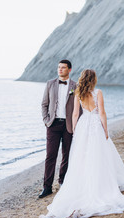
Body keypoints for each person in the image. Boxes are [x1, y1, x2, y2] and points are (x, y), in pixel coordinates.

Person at [39, 69, 124, 218]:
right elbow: (102, 113)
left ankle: (83, 183)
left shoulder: (78, 92)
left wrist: (74, 130)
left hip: (82, 125)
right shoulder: (98, 92)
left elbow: (74, 114)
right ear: (94, 79)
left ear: (82, 78)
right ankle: (99, 183)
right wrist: (105, 130)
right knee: (98, 154)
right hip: (94, 125)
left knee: (81, 156)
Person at [39, 60, 78, 198]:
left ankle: (63, 182)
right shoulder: (50, 84)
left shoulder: (75, 86)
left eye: (63, 68)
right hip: (53, 125)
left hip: (68, 125)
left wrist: (76, 124)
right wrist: (46, 120)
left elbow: (79, 108)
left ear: (70, 69)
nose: (60, 70)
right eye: (59, 67)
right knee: (50, 156)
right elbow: (44, 104)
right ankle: (47, 187)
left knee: (66, 155)